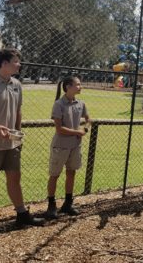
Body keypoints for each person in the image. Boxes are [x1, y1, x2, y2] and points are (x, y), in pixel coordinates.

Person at [0, 48, 45, 235]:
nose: (19, 64)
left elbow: (18, 111)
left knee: (15, 177)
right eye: (16, 61)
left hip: (12, 142)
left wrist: (18, 133)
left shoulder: (17, 84)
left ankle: (21, 215)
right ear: (4, 64)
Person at [45, 76, 90, 219]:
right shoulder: (58, 104)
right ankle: (51, 205)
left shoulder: (81, 103)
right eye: (78, 84)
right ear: (68, 87)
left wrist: (86, 129)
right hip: (60, 146)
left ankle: (68, 204)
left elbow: (89, 120)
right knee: (54, 175)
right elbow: (59, 129)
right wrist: (78, 132)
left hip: (75, 146)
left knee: (71, 173)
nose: (80, 86)